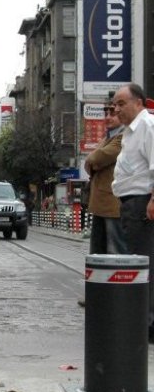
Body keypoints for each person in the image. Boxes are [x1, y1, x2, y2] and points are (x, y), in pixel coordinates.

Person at [112, 83, 154, 342]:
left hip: (142, 204)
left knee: (144, 263)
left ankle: (147, 323)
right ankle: (143, 319)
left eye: (121, 103)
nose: (117, 109)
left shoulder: (147, 126)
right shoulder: (129, 132)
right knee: (139, 260)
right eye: (115, 104)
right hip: (131, 204)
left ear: (138, 103)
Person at [85, 99, 126, 254]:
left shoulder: (123, 137)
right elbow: (92, 161)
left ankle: (118, 277)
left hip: (113, 204)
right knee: (98, 250)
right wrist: (94, 161)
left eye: (112, 113)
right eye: (105, 113)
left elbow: (95, 159)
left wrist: (94, 161)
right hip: (100, 203)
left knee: (116, 250)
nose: (108, 117)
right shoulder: (107, 138)